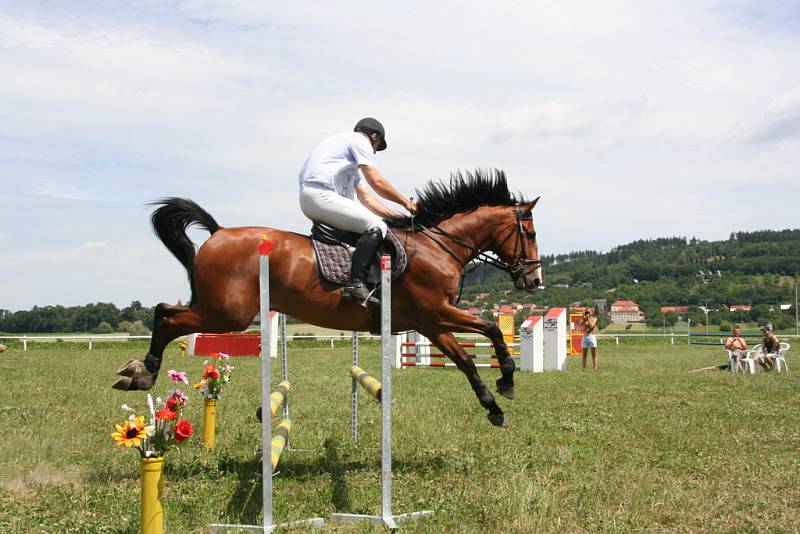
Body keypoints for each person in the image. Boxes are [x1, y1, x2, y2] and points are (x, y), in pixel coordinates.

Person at [298, 118, 416, 305]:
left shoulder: (349, 161)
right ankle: (356, 283)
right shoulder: (360, 141)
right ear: (374, 136)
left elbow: (367, 200)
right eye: (377, 146)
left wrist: (399, 217)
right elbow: (377, 182)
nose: (375, 151)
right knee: (376, 227)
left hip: (316, 198)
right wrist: (406, 203)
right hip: (320, 195)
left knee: (378, 225)